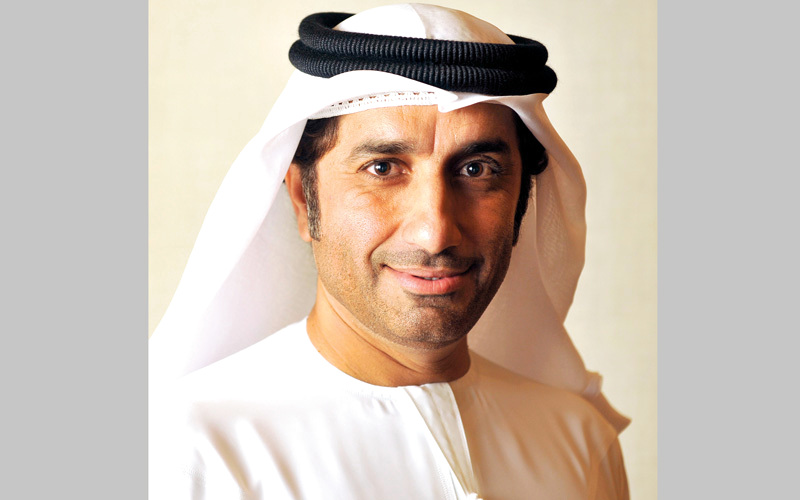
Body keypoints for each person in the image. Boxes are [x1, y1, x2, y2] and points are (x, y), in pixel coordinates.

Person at [149, 4, 630, 499]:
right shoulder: (185, 454)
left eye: (477, 170)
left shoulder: (580, 442)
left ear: (520, 203)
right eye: (383, 168)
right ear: (303, 200)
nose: (435, 233)